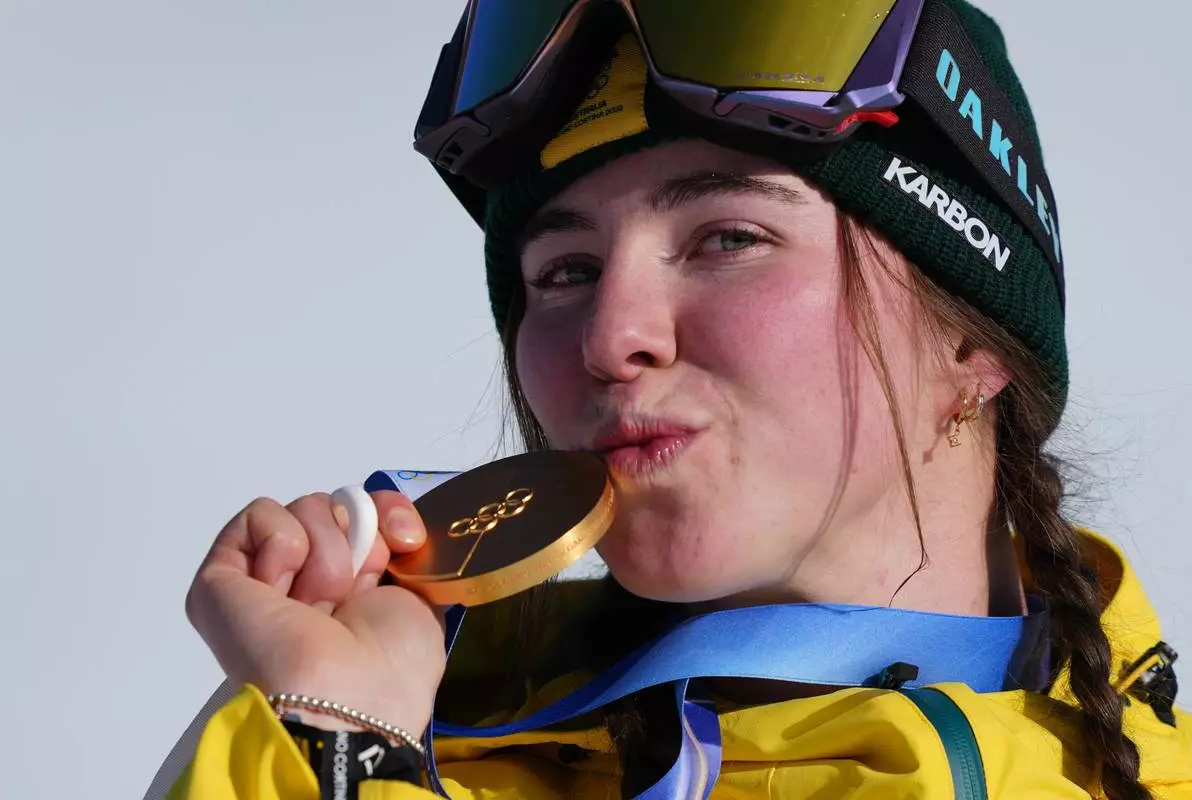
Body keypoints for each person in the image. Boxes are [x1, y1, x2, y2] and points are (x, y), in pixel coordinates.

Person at [167, 1, 1191, 798]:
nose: (613, 338)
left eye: (726, 238)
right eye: (563, 271)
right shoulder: (409, 736)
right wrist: (331, 732)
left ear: (972, 334)